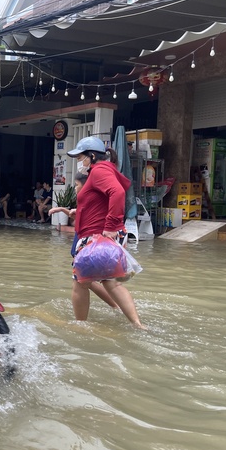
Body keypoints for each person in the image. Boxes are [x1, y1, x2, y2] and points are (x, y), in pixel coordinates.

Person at [66, 136, 145, 329]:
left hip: (96, 236)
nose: (79, 162)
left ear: (92, 156)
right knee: (112, 283)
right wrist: (81, 211)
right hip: (102, 236)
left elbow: (117, 193)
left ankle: (80, 327)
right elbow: (102, 199)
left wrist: (110, 226)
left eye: (81, 157)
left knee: (80, 284)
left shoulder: (99, 170)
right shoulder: (104, 170)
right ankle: (138, 325)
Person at [49, 174, 120, 311]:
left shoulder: (90, 200)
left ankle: (115, 307)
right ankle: (116, 306)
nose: (75, 188)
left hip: (89, 245)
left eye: (76, 185)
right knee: (90, 282)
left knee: (86, 281)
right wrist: (61, 209)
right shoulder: (87, 200)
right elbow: (77, 219)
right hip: (84, 242)